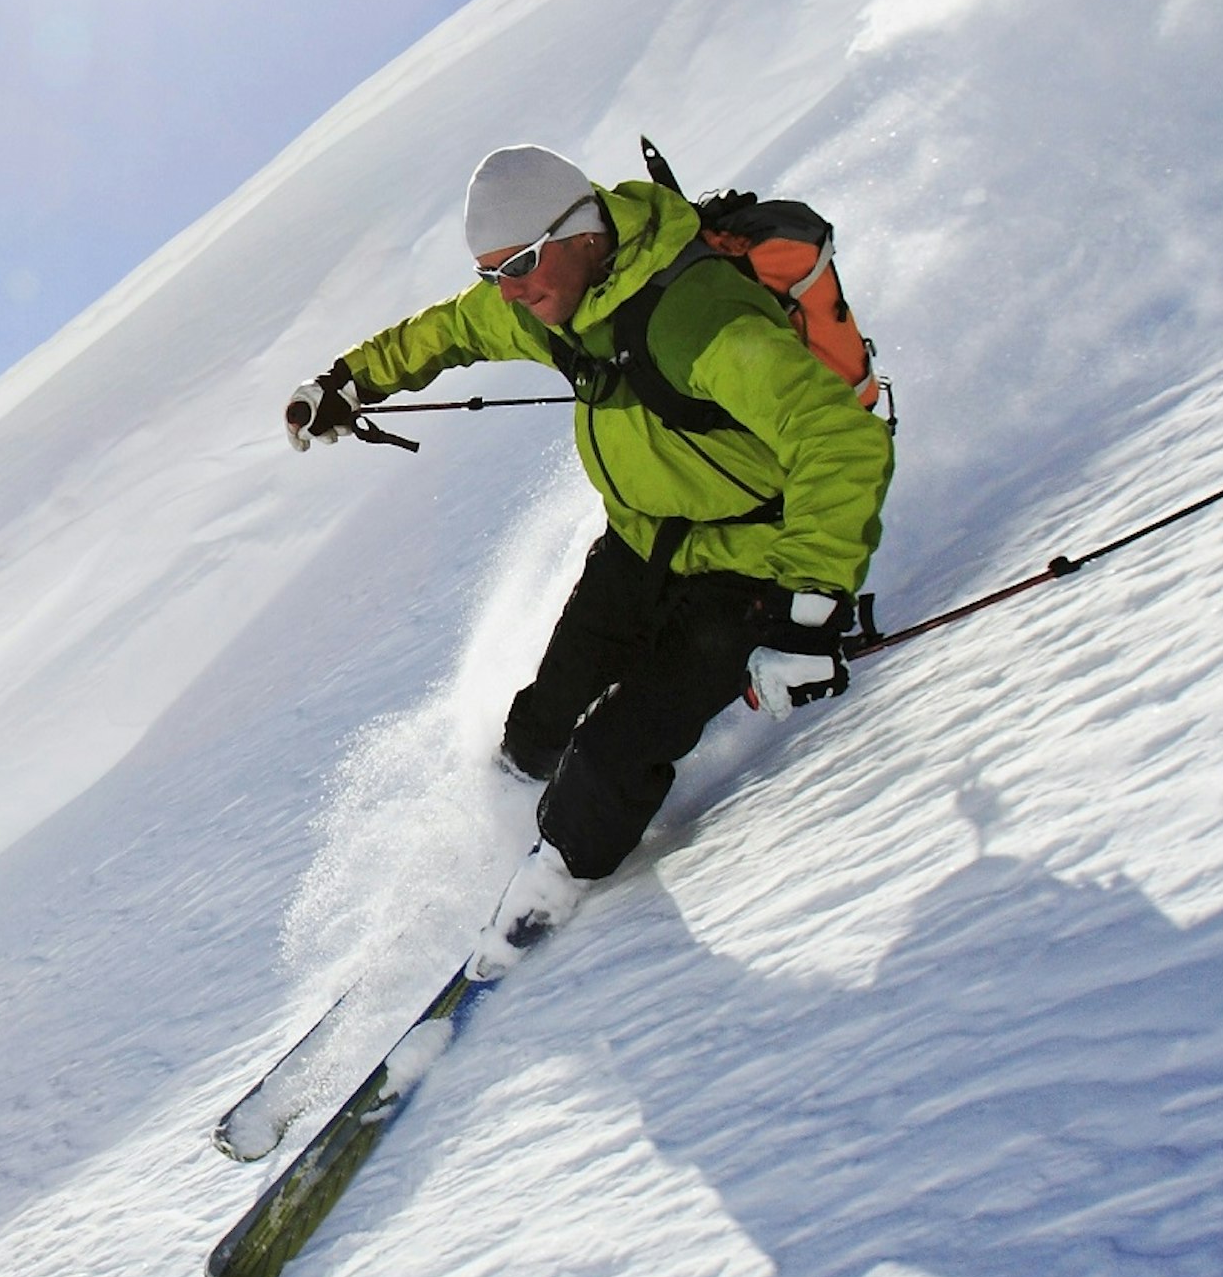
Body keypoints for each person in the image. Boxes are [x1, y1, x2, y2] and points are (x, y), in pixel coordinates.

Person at [284, 143, 894, 965]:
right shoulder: (553, 301)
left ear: (585, 236)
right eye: (495, 271)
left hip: (751, 562)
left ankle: (551, 890)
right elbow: (452, 327)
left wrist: (811, 608)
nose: (512, 289)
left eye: (525, 263)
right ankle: (509, 832)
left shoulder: (695, 317)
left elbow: (839, 439)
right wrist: (349, 380)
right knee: (539, 724)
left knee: (611, 757)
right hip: (640, 547)